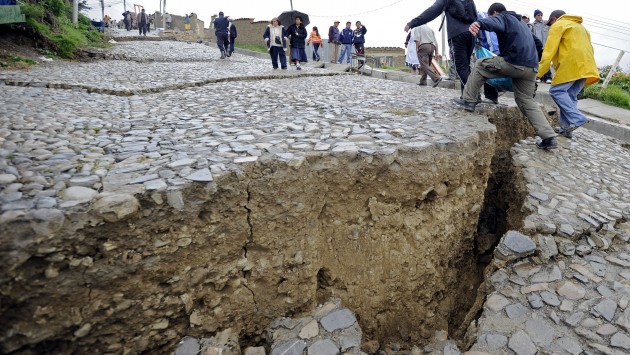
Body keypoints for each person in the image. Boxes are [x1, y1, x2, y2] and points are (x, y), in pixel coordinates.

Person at [453, 2, 557, 150]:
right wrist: (533, 59)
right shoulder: (523, 24)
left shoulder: (503, 17)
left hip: (514, 62)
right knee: (526, 100)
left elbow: (495, 22)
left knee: (480, 64)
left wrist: (478, 23)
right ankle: (549, 137)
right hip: (531, 67)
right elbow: (539, 44)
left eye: (492, 16)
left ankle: (468, 100)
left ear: (495, 12)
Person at [539, 10, 599, 139]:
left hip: (571, 65)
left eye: (550, 23)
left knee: (556, 91)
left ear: (554, 19)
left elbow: (548, 51)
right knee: (570, 97)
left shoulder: (559, 25)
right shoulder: (581, 28)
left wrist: (539, 73)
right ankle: (566, 129)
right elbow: (590, 48)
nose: (550, 26)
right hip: (586, 66)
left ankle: (577, 117)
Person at [405, 0, 480, 100]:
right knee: (466, 66)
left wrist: (412, 23)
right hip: (471, 34)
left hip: (457, 35)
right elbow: (476, 16)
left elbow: (432, 12)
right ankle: (467, 95)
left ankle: (471, 97)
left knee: (461, 67)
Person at [532, 9, 551, 83]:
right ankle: (538, 77)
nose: (540, 16)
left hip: (546, 46)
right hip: (537, 47)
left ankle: (548, 77)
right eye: (538, 15)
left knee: (546, 62)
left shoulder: (546, 24)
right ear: (535, 17)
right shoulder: (532, 25)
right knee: (537, 62)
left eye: (541, 15)